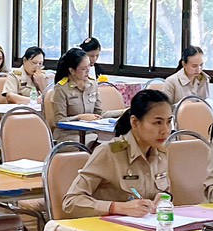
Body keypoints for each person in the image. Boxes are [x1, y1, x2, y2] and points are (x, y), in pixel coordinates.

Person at [62, 90, 173, 218]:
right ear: (135, 123)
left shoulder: (161, 152)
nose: (166, 130)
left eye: (169, 122)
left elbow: (164, 191)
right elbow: (70, 203)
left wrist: (165, 197)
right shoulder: (109, 152)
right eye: (157, 122)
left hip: (146, 225)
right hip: (107, 227)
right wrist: (116, 208)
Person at [44, 47, 101, 139]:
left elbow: (99, 113)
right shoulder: (61, 89)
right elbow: (59, 121)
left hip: (90, 133)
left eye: (89, 66)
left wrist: (122, 112)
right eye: (83, 69)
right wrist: (79, 117)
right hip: (68, 135)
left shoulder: (92, 85)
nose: (88, 70)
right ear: (72, 71)